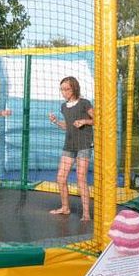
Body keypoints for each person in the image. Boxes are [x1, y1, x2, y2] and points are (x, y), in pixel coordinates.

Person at [48, 76, 94, 221]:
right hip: (69, 145)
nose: (64, 92)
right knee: (61, 178)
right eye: (62, 89)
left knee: (81, 178)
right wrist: (56, 121)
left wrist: (84, 121)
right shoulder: (63, 107)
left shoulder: (84, 103)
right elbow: (67, 126)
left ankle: (86, 213)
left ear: (74, 88)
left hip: (84, 145)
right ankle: (65, 208)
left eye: (66, 89)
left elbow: (98, 119)